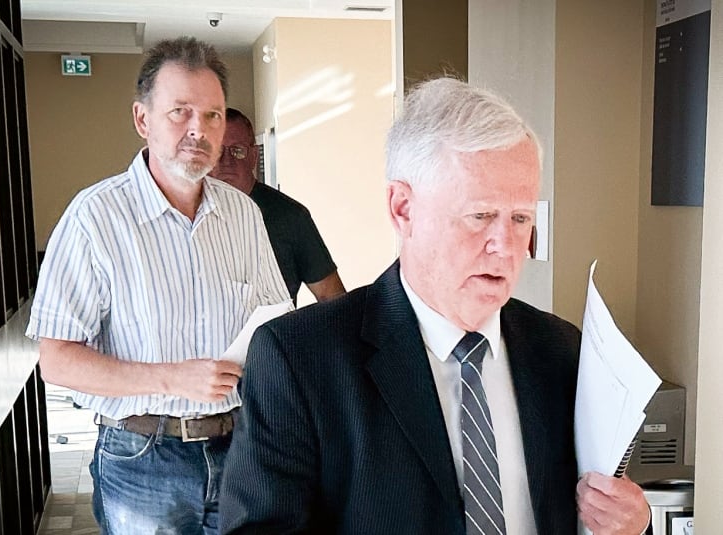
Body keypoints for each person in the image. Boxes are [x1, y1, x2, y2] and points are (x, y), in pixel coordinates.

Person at [219, 78, 651, 534]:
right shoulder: (300, 357)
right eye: (480, 216)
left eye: (520, 218)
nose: (505, 246)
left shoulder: (561, 351)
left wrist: (632, 524)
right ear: (403, 208)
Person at [25, 37, 290, 535]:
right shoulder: (95, 217)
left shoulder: (244, 215)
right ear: (142, 119)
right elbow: (56, 360)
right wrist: (172, 379)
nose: (199, 128)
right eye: (180, 112)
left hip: (240, 448)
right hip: (140, 459)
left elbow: (274, 322)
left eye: (212, 115)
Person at [211, 108, 345, 303]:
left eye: (237, 151)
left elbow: (332, 297)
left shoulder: (290, 217)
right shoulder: (189, 215)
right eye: (217, 151)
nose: (226, 161)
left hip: (273, 331)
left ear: (254, 156)